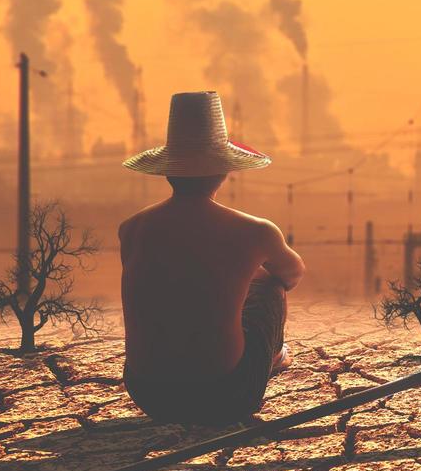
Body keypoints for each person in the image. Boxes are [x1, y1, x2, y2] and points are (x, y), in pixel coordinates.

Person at [118, 90, 304, 425]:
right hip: (223, 394)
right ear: (224, 171)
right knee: (271, 287)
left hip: (147, 392)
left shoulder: (131, 228)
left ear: (168, 170)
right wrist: (251, 273)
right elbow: (291, 274)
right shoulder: (254, 231)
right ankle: (275, 358)